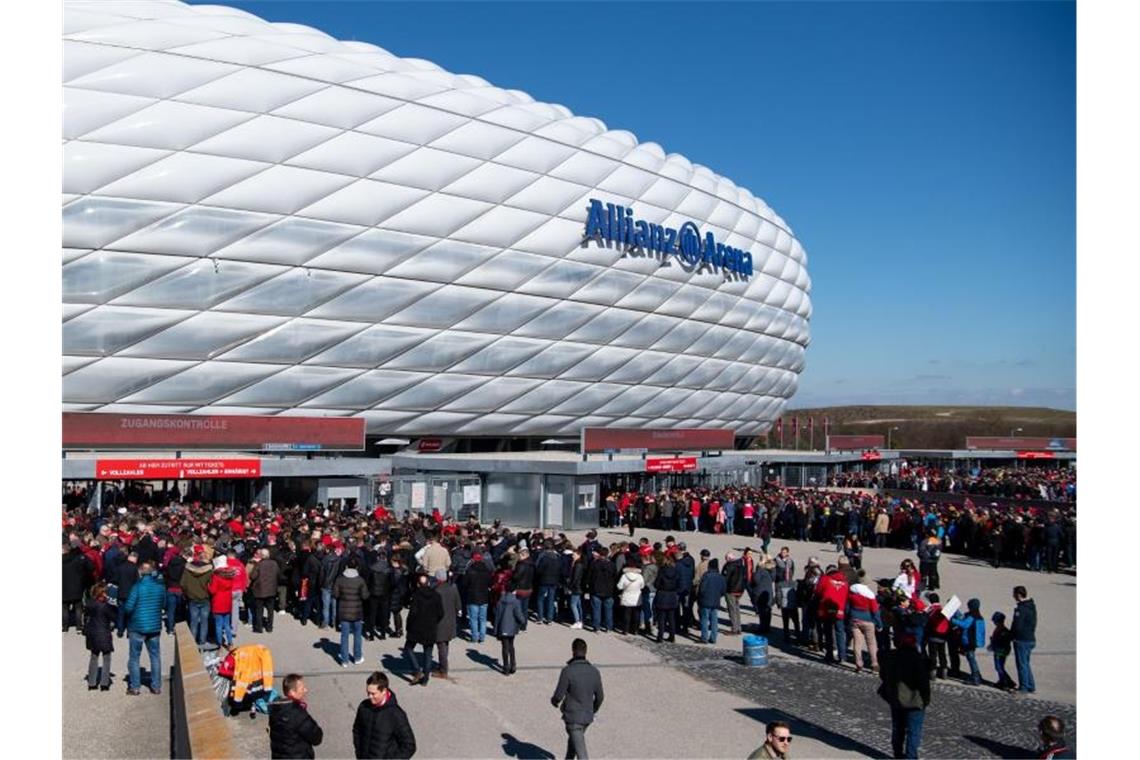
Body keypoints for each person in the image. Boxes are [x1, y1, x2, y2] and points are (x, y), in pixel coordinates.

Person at [878, 636, 931, 759]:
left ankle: (898, 754)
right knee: (913, 731)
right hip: (915, 701)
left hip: (896, 699)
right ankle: (910, 757)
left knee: (898, 728)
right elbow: (923, 683)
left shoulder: (891, 657)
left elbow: (883, 674)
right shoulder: (917, 659)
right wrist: (926, 699)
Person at [551, 638, 604, 760]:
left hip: (573, 718)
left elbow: (559, 695)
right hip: (587, 717)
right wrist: (592, 709)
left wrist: (554, 701)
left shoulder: (568, 671)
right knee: (573, 745)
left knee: (581, 754)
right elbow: (600, 697)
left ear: (573, 651)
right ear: (586, 652)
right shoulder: (594, 671)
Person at [123, 560, 165, 696]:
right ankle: (156, 686)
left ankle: (135, 687)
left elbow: (128, 607)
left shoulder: (137, 587)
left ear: (140, 572)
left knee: (134, 657)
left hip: (137, 625)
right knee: (155, 656)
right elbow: (163, 604)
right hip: (154, 626)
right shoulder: (160, 587)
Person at [352, 671, 416, 759]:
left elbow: (409, 746)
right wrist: (359, 754)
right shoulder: (364, 707)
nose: (370, 696)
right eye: (368, 693)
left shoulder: (396, 714)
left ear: (384, 691)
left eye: (373, 693)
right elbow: (357, 730)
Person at [269, 673, 324, 759]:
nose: (306, 690)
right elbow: (316, 737)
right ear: (292, 692)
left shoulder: (275, 710)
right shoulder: (298, 714)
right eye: (302, 688)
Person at [404, 573, 444, 686]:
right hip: (430, 627)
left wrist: (408, 626)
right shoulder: (436, 596)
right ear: (428, 583)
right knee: (428, 653)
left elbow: (412, 614)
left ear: (418, 584)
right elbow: (441, 613)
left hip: (416, 627)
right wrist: (434, 621)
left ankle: (417, 671)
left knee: (408, 648)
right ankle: (425, 678)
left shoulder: (416, 596)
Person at [334, 557, 371, 667]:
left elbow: (335, 594)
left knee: (344, 636)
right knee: (357, 635)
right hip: (357, 611)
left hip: (344, 610)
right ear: (357, 567)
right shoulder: (360, 580)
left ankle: (344, 660)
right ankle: (357, 657)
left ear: (346, 566)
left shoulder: (340, 579)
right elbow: (365, 596)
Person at [83, 582, 115, 691]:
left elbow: (86, 616)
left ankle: (92, 683)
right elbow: (113, 616)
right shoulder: (106, 606)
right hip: (104, 633)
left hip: (92, 633)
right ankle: (104, 683)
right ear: (102, 593)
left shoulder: (89, 604)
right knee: (106, 658)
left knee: (94, 657)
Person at [181, 548, 213, 646]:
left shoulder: (187, 569)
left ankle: (193, 640)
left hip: (192, 598)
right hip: (205, 597)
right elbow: (212, 585)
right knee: (204, 621)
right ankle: (202, 640)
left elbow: (183, 583)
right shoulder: (209, 570)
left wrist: (188, 593)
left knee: (194, 621)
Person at [434, 569, 461, 680]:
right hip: (450, 621)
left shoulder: (436, 590)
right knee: (445, 644)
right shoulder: (453, 589)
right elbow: (458, 604)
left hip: (440, 622)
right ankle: (442, 665)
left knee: (441, 646)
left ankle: (443, 669)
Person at [494, 582, 527, 675]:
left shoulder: (500, 601)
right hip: (512, 627)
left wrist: (496, 629)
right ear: (514, 590)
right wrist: (523, 621)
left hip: (502, 627)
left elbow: (497, 616)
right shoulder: (516, 602)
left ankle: (506, 668)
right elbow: (519, 615)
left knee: (504, 647)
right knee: (511, 646)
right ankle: (513, 665)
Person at [951, 598, 985, 685]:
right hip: (973, 641)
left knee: (971, 659)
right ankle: (977, 675)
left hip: (969, 641)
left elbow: (964, 624)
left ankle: (975, 677)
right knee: (971, 658)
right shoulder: (978, 616)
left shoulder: (972, 616)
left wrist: (953, 620)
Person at [1011, 585, 1037, 694]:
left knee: (1021, 664)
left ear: (1018, 595)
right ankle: (1030, 685)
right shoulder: (1031, 606)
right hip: (1030, 638)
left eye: (1014, 594)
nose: (1013, 596)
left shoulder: (1021, 609)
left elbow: (1017, 626)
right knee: (1026, 663)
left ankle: (1023, 687)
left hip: (1021, 640)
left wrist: (1012, 635)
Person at [63, 540, 92, 633]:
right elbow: (90, 568)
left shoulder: (62, 559)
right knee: (78, 606)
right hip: (77, 585)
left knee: (64, 607)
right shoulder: (80, 559)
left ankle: (64, 626)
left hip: (64, 585)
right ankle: (79, 626)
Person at [250, 547, 281, 634]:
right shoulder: (274, 563)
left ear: (261, 556)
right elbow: (278, 574)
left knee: (259, 609)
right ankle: (269, 627)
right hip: (271, 589)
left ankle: (259, 627)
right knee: (270, 610)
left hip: (260, 590)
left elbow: (253, 576)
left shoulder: (259, 564)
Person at [463, 553, 493, 642]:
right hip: (484, 597)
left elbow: (464, 584)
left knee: (473, 619)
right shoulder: (487, 571)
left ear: (473, 560)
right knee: (483, 619)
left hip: (472, 597)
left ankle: (475, 637)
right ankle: (482, 637)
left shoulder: (469, 571)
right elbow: (490, 583)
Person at [208, 556, 237, 648]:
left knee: (218, 625)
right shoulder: (230, 576)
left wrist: (208, 585)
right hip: (227, 602)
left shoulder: (216, 577)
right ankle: (230, 643)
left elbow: (213, 590)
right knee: (227, 624)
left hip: (218, 602)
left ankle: (219, 643)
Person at [697, 558, 726, 644]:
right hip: (716, 601)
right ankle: (713, 638)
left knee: (704, 619)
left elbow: (702, 589)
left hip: (705, 600)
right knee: (714, 620)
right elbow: (723, 590)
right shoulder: (721, 577)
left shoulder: (706, 576)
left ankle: (704, 637)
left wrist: (700, 596)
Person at [587, 547, 616, 633]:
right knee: (608, 610)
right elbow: (615, 577)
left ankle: (597, 627)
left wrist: (589, 585)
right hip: (609, 590)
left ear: (599, 554)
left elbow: (589, 577)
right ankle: (609, 627)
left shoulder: (594, 564)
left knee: (596, 609)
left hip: (596, 589)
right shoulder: (612, 565)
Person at [988, 611, 1016, 692]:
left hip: (1000, 651)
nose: (993, 622)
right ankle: (1005, 681)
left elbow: (1002, 641)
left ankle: (1005, 682)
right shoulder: (1001, 629)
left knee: (999, 667)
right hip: (1000, 650)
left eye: (994, 621)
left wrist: (993, 642)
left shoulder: (1003, 631)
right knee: (1000, 667)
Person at [616, 558, 645, 636]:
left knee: (626, 615)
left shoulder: (624, 576)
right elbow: (642, 586)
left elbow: (619, 586)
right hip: (636, 598)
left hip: (626, 597)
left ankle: (625, 630)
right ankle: (635, 630)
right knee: (636, 615)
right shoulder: (639, 576)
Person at [722, 551, 746, 635]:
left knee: (731, 609)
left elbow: (725, 579)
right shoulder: (741, 565)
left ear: (728, 558)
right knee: (736, 609)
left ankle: (734, 629)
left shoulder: (729, 566)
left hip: (731, 590)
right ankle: (739, 627)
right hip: (739, 590)